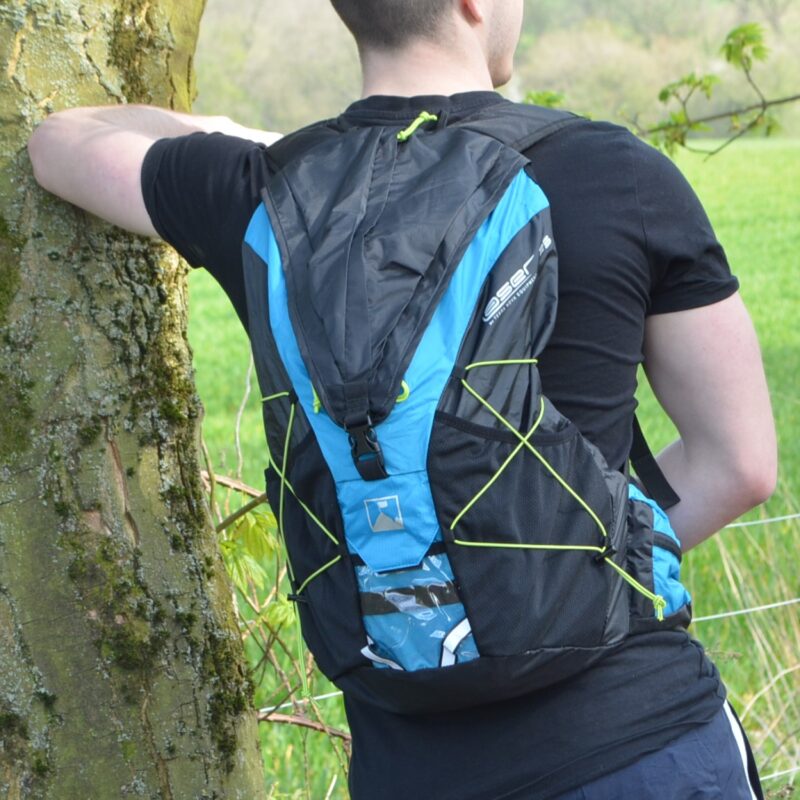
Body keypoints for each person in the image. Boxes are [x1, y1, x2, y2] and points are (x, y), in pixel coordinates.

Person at [28, 0, 777, 797]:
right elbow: (740, 465)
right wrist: (584, 552)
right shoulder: (619, 172)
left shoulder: (271, 191)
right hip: (634, 741)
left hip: (409, 769)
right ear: (475, 4)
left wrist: (242, 140)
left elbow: (58, 141)